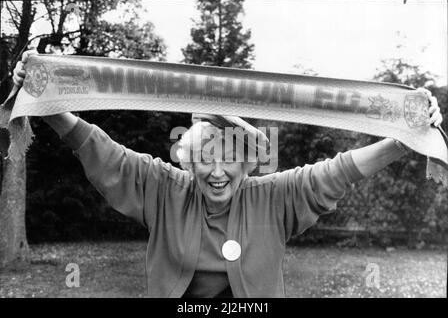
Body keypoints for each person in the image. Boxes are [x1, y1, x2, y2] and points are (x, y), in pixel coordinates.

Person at [12, 50, 443, 298]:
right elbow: (99, 148)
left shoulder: (273, 197)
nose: (217, 170)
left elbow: (337, 172)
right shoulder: (164, 188)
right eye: (205, 156)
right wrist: (41, 97)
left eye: (230, 157)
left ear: (248, 162)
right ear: (190, 159)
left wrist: (407, 137)